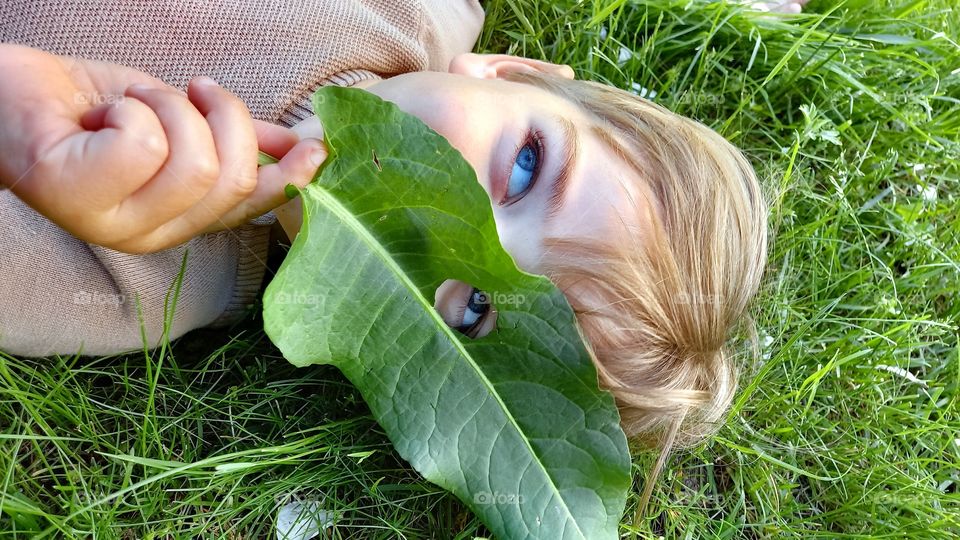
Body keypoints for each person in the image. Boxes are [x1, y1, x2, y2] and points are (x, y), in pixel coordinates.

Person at [0, 0, 784, 459]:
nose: (443, 224)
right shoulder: (420, 12)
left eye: (475, 306)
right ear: (512, 73)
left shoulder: (125, 282)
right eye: (524, 168)